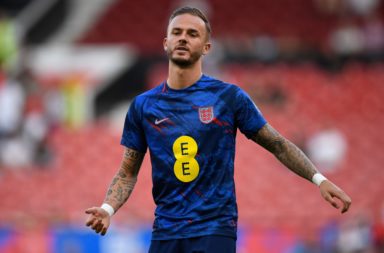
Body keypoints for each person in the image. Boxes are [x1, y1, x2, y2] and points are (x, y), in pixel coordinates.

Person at [85, 6, 352, 253]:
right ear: (166, 42)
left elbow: (278, 144)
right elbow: (127, 171)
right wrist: (108, 208)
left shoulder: (228, 98)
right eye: (176, 32)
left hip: (214, 229)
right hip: (165, 231)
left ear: (206, 47)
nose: (182, 38)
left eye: (192, 34)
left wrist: (320, 179)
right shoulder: (143, 106)